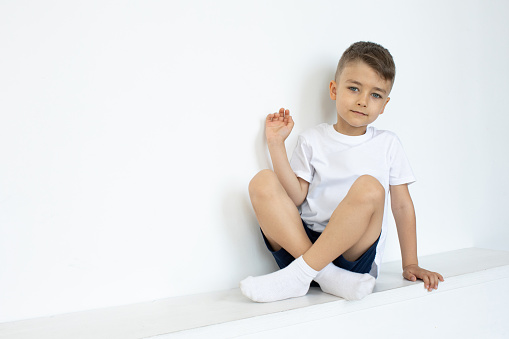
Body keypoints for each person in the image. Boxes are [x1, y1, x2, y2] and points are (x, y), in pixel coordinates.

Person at [240, 41, 444, 303]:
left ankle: (303, 275)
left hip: (352, 253)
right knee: (262, 181)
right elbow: (296, 197)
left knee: (370, 187)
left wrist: (411, 263)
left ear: (384, 104)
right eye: (354, 88)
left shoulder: (388, 144)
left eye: (375, 95)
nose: (362, 101)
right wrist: (276, 145)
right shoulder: (312, 139)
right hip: (301, 244)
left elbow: (402, 206)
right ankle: (324, 276)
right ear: (334, 89)